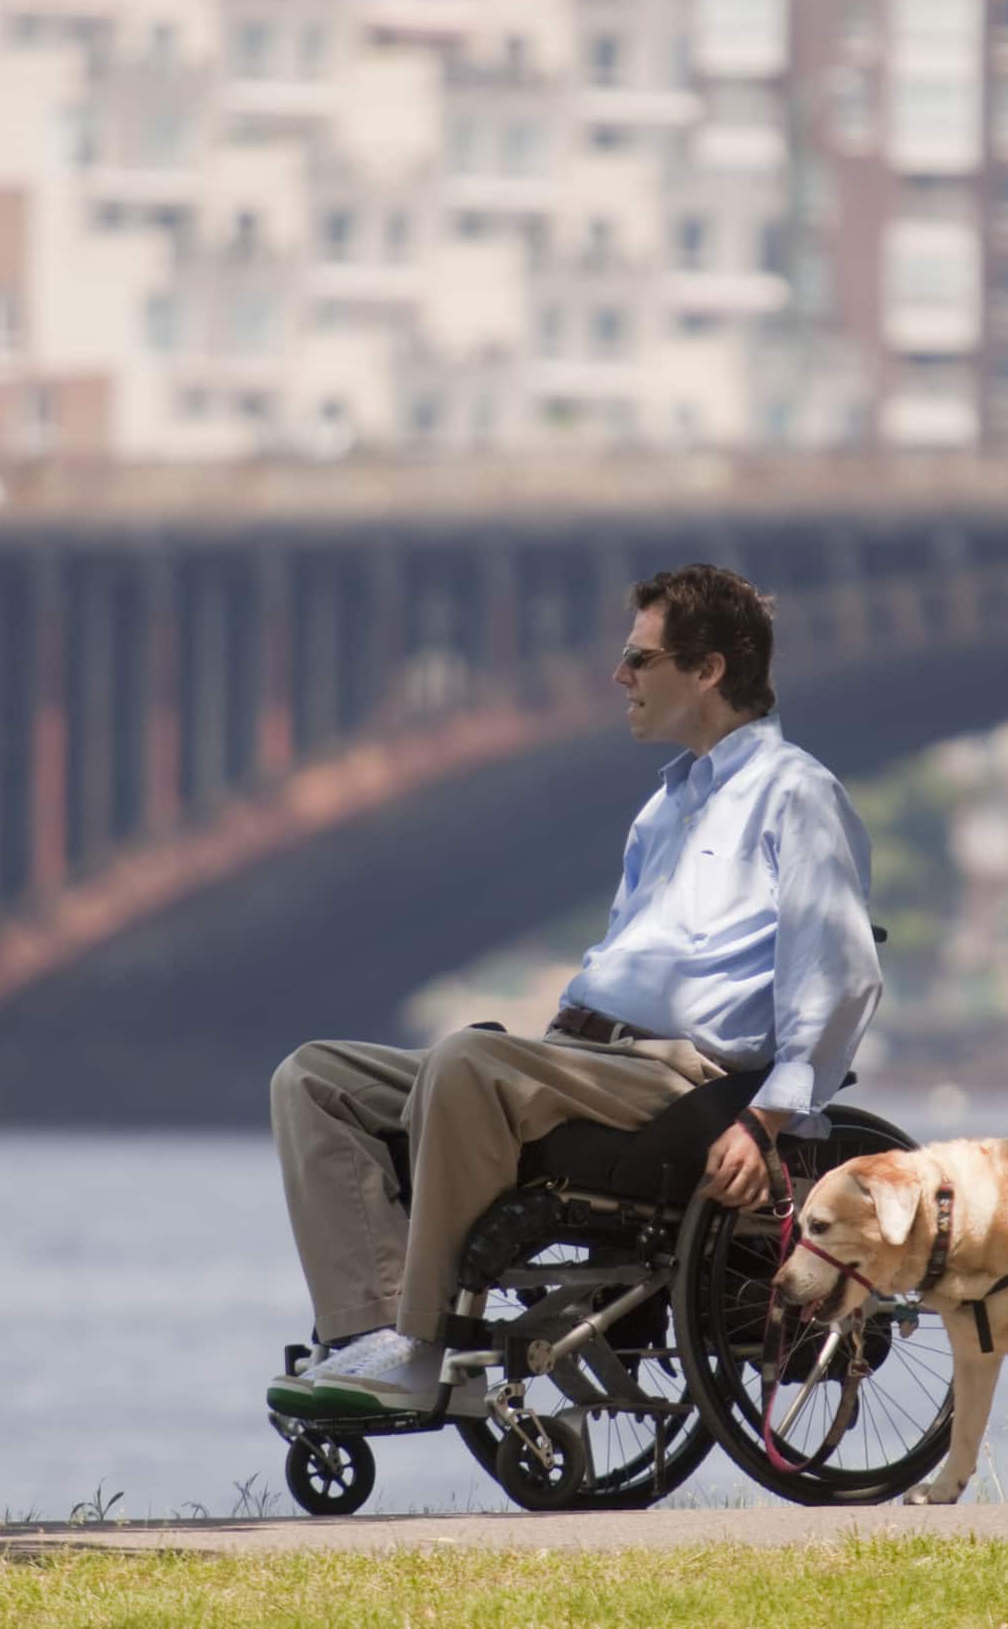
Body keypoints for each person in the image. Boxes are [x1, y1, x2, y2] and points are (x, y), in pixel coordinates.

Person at [265, 562, 885, 1417]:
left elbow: (842, 971)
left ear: (707, 671)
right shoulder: (662, 810)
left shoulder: (797, 794)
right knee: (314, 1079)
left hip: (684, 1082)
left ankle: (428, 1347)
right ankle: (367, 1333)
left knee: (468, 1061)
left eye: (640, 659)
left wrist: (768, 1118)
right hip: (584, 1061)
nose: (618, 677)